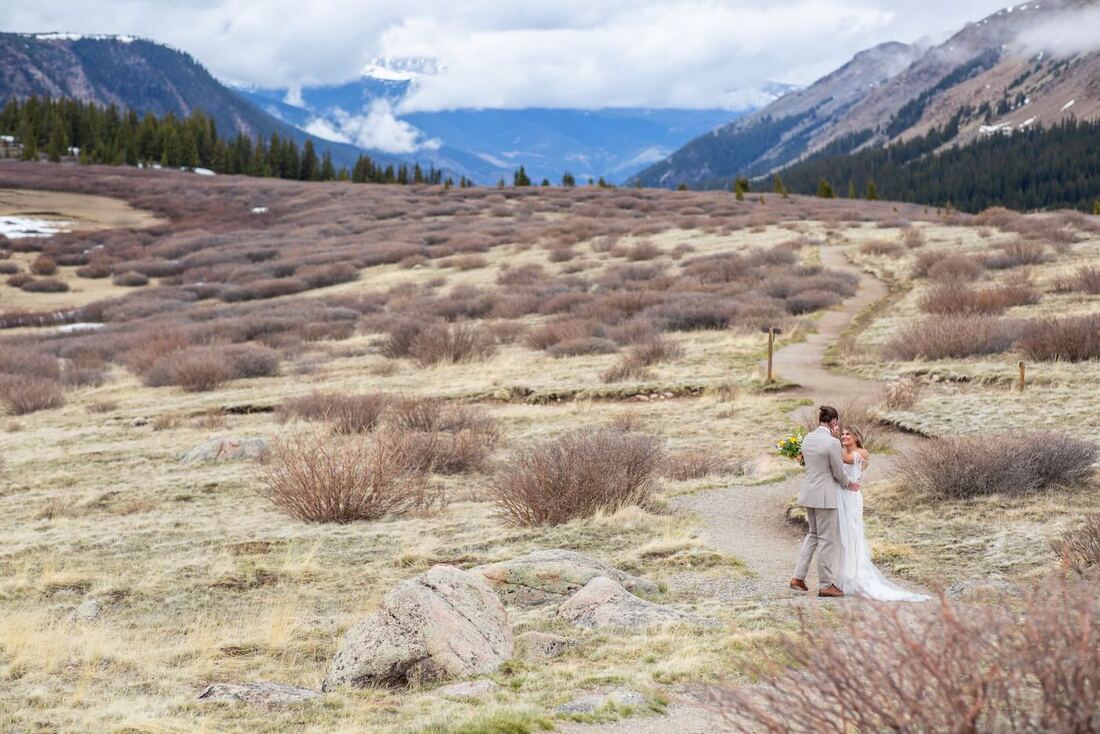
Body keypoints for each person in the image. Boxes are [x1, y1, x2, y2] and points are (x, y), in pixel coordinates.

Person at [833, 425, 928, 602]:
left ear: (856, 437)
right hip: (841, 496)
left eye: (848, 434)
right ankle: (843, 576)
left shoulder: (862, 452)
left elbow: (844, 459)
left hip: (851, 498)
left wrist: (825, 444)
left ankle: (855, 577)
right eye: (843, 434)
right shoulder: (841, 451)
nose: (844, 436)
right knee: (841, 535)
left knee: (852, 534)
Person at [790, 405, 856, 597]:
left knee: (813, 535)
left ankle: (798, 578)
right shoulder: (832, 443)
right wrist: (848, 483)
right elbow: (837, 470)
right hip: (826, 497)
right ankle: (826, 585)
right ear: (834, 421)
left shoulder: (808, 439)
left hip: (809, 494)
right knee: (827, 540)